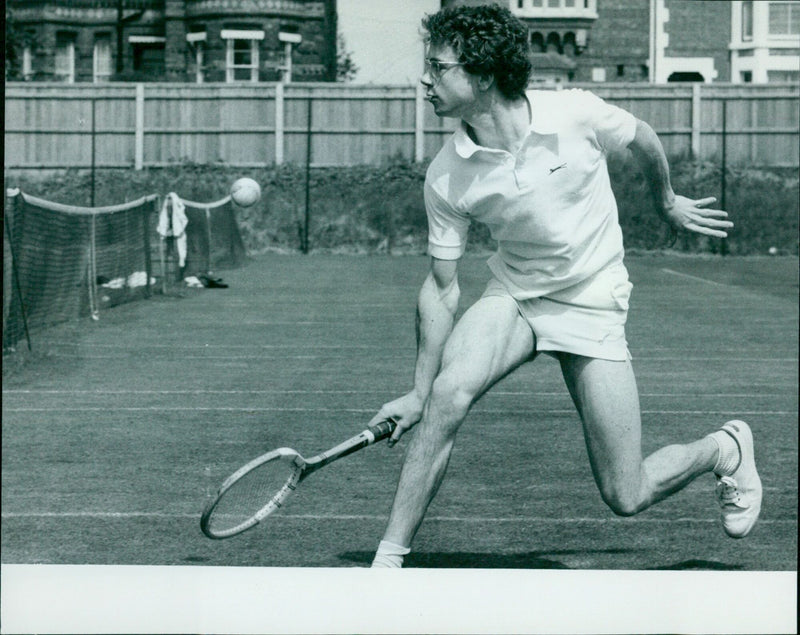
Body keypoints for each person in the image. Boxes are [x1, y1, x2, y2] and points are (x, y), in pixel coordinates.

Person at [369, 4, 761, 568]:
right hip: (516, 296)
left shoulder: (575, 114)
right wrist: (417, 389)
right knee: (446, 395)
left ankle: (724, 449)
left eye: (438, 66)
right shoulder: (446, 174)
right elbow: (441, 289)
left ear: (481, 75)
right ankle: (387, 561)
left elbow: (643, 137)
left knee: (626, 495)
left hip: (593, 300)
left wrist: (666, 200)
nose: (424, 80)